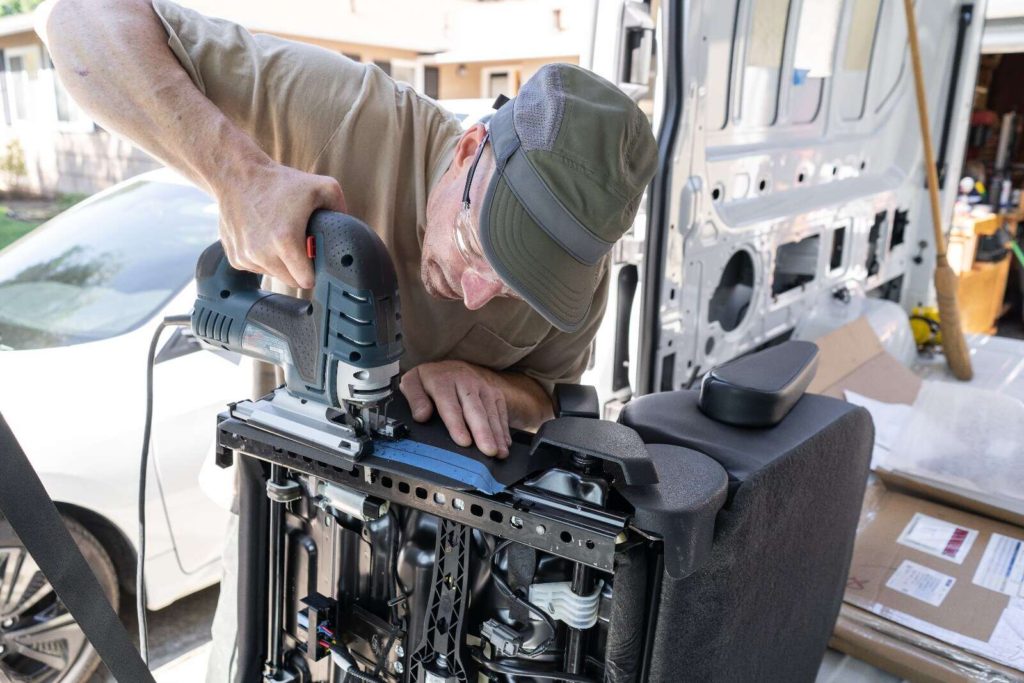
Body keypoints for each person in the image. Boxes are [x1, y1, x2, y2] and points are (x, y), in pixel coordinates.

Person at [41, 0, 658, 678]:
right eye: (478, 249)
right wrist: (237, 172)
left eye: (514, 287)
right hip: (293, 524)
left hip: (450, 565)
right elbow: (80, 21)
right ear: (466, 152)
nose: (480, 293)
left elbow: (552, 402)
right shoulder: (351, 118)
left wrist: (497, 389)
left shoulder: (574, 283)